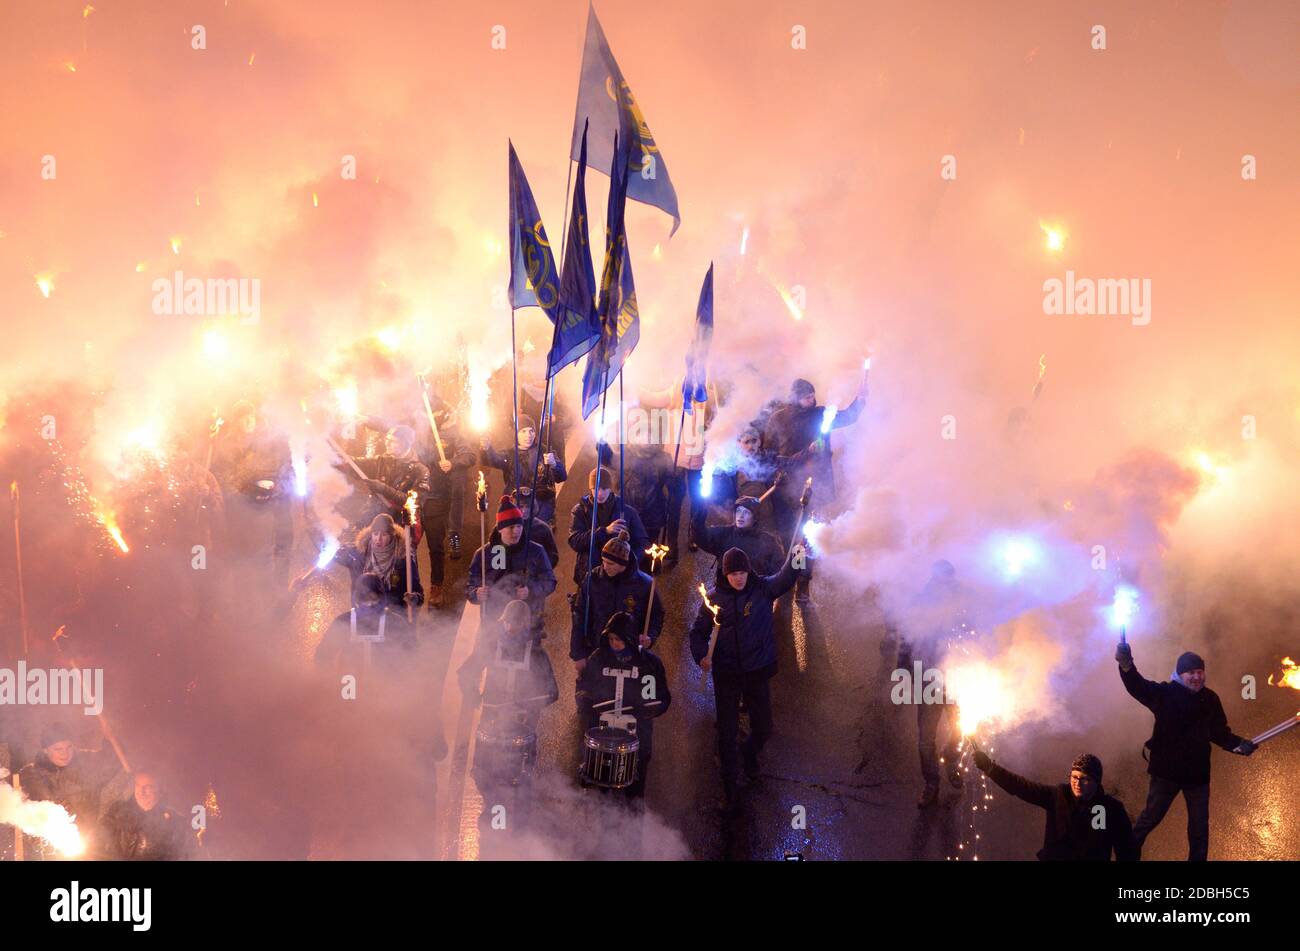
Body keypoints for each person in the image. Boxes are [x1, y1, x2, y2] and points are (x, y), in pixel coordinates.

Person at [689, 546, 805, 812]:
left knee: (764, 728)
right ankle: (730, 789)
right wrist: (701, 657)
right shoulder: (714, 599)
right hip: (727, 675)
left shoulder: (762, 589)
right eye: (733, 574)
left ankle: (749, 753)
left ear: (748, 571)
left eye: (742, 573)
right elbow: (697, 634)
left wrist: (798, 555)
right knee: (726, 735)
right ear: (725, 574)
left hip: (757, 671)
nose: (738, 579)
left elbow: (786, 577)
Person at [1116, 643, 1254, 861]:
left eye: (1200, 672)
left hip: (1197, 776)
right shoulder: (1165, 694)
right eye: (1191, 672)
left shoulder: (1210, 699)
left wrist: (1240, 744)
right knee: (1150, 818)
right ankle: (1127, 855)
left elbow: (1219, 733)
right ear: (1181, 674)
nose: (1197, 677)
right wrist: (1126, 666)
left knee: (1199, 829)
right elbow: (1138, 687)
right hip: (1166, 773)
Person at [761, 376, 867, 603]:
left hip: (814, 486)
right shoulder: (779, 419)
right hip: (786, 485)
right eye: (807, 397)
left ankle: (803, 581)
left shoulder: (822, 415)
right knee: (788, 534)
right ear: (796, 398)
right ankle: (786, 577)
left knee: (806, 537)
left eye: (812, 395)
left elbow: (849, 415)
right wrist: (780, 467)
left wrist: (861, 399)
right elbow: (768, 451)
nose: (812, 399)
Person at [461, 601, 559, 798]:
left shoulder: (536, 653)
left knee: (520, 777)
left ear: (525, 624)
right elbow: (465, 672)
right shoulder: (491, 645)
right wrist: (472, 696)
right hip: (492, 714)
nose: (510, 627)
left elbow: (552, 691)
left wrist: (531, 705)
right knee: (485, 772)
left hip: (523, 720)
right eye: (508, 623)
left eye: (516, 623)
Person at [971, 749, 1139, 861]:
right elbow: (1021, 787)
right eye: (1074, 777)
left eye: (1084, 779)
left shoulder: (1112, 809)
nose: (1077, 783)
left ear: (1096, 781)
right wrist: (990, 768)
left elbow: (1127, 852)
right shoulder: (1058, 796)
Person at [576, 612, 672, 802]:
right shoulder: (598, 658)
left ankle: (634, 804)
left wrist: (652, 709)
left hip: (635, 725)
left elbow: (661, 697)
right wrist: (585, 700)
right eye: (611, 639)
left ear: (629, 638)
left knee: (641, 755)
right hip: (603, 723)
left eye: (619, 639)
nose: (614, 644)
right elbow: (584, 687)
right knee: (597, 761)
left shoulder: (648, 663)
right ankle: (599, 802)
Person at [899, 559, 971, 807]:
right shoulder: (921, 602)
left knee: (963, 729)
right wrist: (904, 668)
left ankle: (951, 756)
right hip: (929, 677)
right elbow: (908, 635)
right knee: (925, 739)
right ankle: (931, 783)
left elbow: (977, 634)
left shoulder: (964, 603)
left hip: (958, 678)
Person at [209, 398, 295, 585]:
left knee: (281, 546)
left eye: (251, 416)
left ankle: (279, 587)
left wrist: (280, 486)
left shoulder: (268, 441)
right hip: (249, 509)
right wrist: (249, 491)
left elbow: (285, 467)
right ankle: (257, 592)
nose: (249, 420)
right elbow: (223, 479)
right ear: (236, 421)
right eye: (243, 417)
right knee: (255, 555)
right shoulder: (227, 446)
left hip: (276, 502)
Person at [17, 722, 115, 859]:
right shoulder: (32, 776)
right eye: (58, 749)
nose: (65, 754)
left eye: (69, 747)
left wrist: (110, 738)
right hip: (51, 848)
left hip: (89, 843)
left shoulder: (87, 766)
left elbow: (111, 760)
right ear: (46, 750)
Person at [467, 496, 557, 642]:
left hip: (527, 624)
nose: (516, 531)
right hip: (494, 624)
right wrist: (476, 593)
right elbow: (471, 584)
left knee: (539, 663)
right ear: (501, 528)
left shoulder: (536, 551)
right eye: (511, 527)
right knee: (482, 659)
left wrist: (531, 590)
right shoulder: (484, 554)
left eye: (519, 526)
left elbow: (550, 581)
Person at [569, 531, 663, 670]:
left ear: (623, 564)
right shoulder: (592, 579)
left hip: (630, 653)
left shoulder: (645, 584)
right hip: (598, 650)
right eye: (603, 561)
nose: (605, 567)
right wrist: (578, 654)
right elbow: (579, 614)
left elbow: (656, 615)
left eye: (611, 563)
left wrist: (650, 637)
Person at [414, 395, 476, 606]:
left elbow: (469, 455)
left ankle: (454, 536)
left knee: (440, 537)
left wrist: (453, 462)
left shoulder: (454, 432)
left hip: (444, 489)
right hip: (420, 494)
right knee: (407, 544)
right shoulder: (421, 432)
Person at [294, 513, 422, 611]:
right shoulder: (357, 552)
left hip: (392, 617)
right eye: (375, 533)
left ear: (392, 535)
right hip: (362, 612)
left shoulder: (404, 559)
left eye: (384, 534)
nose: (378, 539)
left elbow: (419, 593)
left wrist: (415, 598)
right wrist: (306, 578)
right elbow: (328, 556)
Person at [314, 573, 418, 671]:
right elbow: (322, 656)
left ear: (382, 597)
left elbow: (413, 656)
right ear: (357, 598)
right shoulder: (344, 622)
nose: (370, 603)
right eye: (365, 597)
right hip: (350, 686)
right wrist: (330, 683)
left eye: (374, 597)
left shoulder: (395, 622)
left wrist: (401, 682)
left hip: (386, 686)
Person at [567, 466, 650, 586]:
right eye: (596, 488)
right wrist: (604, 531)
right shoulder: (580, 511)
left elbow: (643, 543)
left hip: (619, 576)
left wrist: (626, 561)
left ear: (610, 488)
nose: (600, 493)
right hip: (589, 573)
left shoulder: (626, 511)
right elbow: (575, 541)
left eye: (604, 488)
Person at [481, 414, 567, 526]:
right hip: (516, 508)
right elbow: (494, 459)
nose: (528, 435)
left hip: (542, 511)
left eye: (531, 431)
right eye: (523, 431)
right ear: (516, 434)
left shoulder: (544, 451)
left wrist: (554, 464)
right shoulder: (510, 454)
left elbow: (562, 476)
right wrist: (487, 449)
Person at [346, 425, 432, 528]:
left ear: (405, 444)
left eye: (393, 441)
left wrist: (383, 489)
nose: (387, 444)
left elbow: (413, 502)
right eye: (387, 440)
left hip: (400, 524)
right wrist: (338, 457)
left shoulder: (420, 470)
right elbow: (356, 463)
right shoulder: (382, 461)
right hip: (376, 519)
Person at [691, 495, 785, 586]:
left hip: (753, 595)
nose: (741, 516)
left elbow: (778, 572)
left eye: (746, 512)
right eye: (738, 511)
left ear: (755, 517)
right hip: (726, 593)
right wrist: (700, 514)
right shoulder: (724, 534)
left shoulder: (767, 541)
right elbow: (701, 537)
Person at [99, 770, 192, 861]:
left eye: (148, 787)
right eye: (137, 785)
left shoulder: (175, 823)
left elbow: (179, 856)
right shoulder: (118, 810)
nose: (141, 792)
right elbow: (98, 838)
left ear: (160, 790)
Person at [620, 439, 674, 567]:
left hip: (653, 511)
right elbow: (610, 460)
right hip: (631, 509)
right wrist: (602, 445)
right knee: (629, 546)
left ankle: (646, 577)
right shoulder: (628, 454)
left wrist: (675, 479)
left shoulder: (664, 458)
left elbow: (674, 487)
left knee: (648, 548)